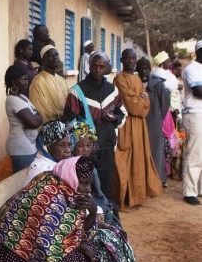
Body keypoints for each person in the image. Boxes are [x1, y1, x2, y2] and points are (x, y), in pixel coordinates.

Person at [64, 52, 124, 204]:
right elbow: (69, 121)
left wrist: (114, 118)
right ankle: (90, 215)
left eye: (101, 66)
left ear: (107, 68)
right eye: (94, 66)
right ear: (89, 66)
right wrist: (86, 141)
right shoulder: (77, 91)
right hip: (85, 149)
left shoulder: (112, 90)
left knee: (106, 184)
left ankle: (106, 213)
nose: (97, 69)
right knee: (87, 185)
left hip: (107, 145)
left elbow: (121, 113)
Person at [113, 49, 163, 209]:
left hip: (140, 126)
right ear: (121, 60)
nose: (131, 61)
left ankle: (138, 195)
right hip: (127, 124)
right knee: (125, 160)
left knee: (139, 159)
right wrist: (140, 99)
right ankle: (126, 196)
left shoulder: (137, 78)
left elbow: (145, 104)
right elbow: (132, 105)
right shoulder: (119, 79)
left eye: (133, 58)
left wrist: (140, 100)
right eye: (128, 58)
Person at [4, 65, 42, 171]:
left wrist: (37, 116)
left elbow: (38, 118)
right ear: (13, 82)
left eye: (27, 79)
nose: (27, 82)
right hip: (20, 148)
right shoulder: (12, 99)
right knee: (23, 180)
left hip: (29, 147)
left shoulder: (23, 97)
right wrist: (37, 116)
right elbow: (34, 122)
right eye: (24, 79)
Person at [141, 57, 171, 189]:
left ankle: (157, 180)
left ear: (150, 69)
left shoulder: (158, 84)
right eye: (140, 69)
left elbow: (165, 105)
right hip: (139, 124)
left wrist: (157, 118)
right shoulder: (135, 82)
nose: (143, 72)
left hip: (154, 122)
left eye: (146, 69)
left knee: (156, 152)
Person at [181, 40, 202, 205]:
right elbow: (198, 91)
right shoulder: (192, 68)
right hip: (195, 113)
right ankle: (189, 191)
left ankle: (199, 188)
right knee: (194, 153)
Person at [29, 45, 69, 122]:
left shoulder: (62, 80)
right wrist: (62, 114)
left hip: (67, 122)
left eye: (56, 54)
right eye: (51, 55)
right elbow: (42, 110)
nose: (55, 57)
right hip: (52, 125)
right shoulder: (38, 82)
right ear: (43, 60)